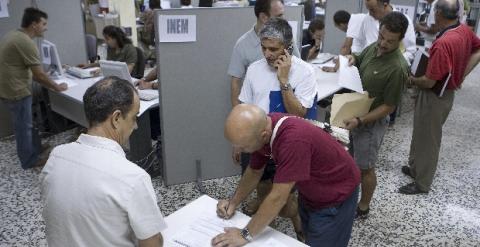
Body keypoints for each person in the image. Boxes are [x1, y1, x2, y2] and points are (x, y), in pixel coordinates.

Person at [41, 76, 166, 246]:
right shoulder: (132, 177)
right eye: (134, 117)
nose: (135, 126)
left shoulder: (56, 157)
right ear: (116, 118)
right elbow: (152, 244)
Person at [212, 104, 360, 247]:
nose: (239, 150)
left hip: (336, 194)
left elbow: (278, 198)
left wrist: (245, 235)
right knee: (311, 235)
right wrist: (233, 202)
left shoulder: (292, 141)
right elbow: (254, 170)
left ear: (264, 135)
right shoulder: (265, 127)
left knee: (325, 240)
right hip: (312, 188)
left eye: (243, 146)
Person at [237, 17, 317, 240]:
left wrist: (283, 80)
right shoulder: (254, 70)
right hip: (259, 143)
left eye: (273, 49)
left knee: (284, 201)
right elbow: (245, 108)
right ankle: (267, 230)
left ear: (288, 48)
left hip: (289, 145)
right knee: (263, 192)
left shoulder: (304, 72)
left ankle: (297, 222)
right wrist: (240, 140)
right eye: (264, 47)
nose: (268, 54)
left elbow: (298, 113)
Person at [326, 12, 409, 218]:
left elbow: (389, 107)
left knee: (365, 168)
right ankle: (346, 196)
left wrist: (360, 121)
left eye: (390, 41)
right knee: (346, 160)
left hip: (370, 123)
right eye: (381, 36)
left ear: (400, 40)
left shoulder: (397, 68)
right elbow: (361, 57)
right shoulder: (375, 46)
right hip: (354, 111)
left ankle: (363, 207)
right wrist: (353, 57)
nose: (382, 43)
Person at [227, 0, 300, 224]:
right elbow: (236, 86)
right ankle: (266, 222)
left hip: (282, 127)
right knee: (257, 176)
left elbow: (297, 74)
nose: (268, 54)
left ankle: (284, 217)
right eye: (278, 14)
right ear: (263, 17)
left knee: (284, 188)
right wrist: (240, 136)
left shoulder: (288, 42)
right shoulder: (243, 45)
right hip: (256, 129)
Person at [399, 0, 480, 195]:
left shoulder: (443, 43)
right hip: (445, 93)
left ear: (438, 14)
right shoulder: (463, 30)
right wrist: (462, 74)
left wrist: (411, 80)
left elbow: (428, 82)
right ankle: (416, 168)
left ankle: (422, 182)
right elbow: (478, 49)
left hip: (435, 96)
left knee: (429, 139)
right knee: (421, 132)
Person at [0, 8, 68, 169]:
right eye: (43, 24)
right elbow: (38, 76)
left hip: (8, 88)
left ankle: (35, 148)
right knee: (23, 126)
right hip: (17, 90)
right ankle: (29, 160)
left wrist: (48, 76)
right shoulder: (25, 42)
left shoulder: (13, 35)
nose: (46, 27)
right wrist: (57, 87)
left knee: (28, 123)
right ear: (34, 24)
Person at [228, 0, 300, 107]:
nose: (284, 19)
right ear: (263, 17)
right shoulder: (242, 45)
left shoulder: (285, 38)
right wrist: (238, 113)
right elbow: (235, 83)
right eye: (279, 16)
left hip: (286, 101)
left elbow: (298, 65)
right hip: (258, 108)